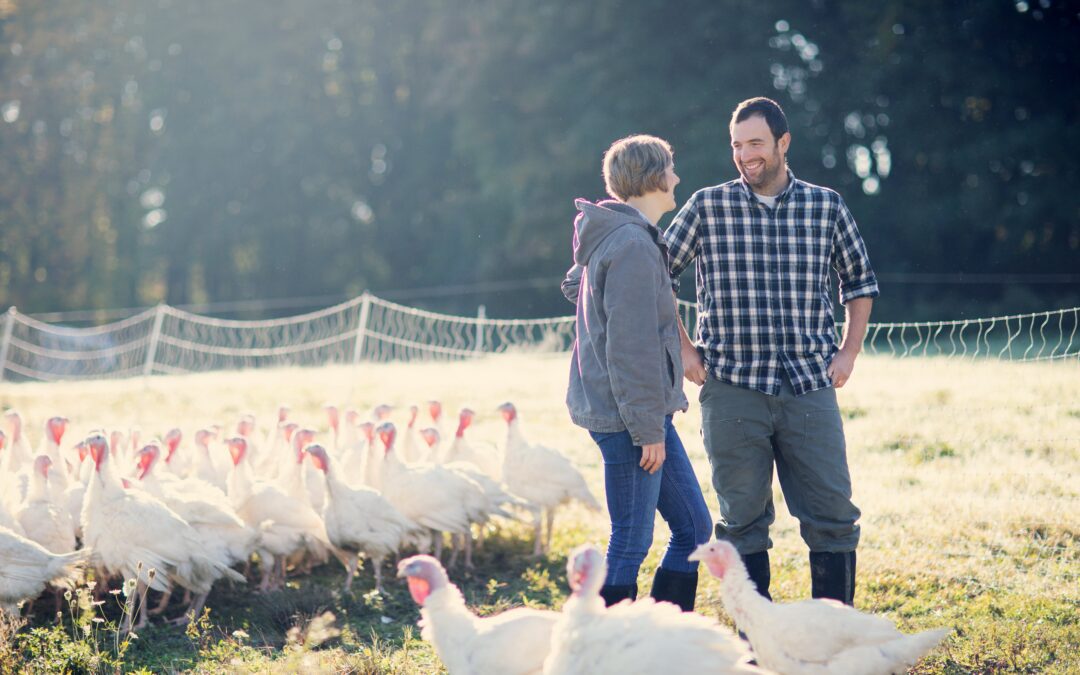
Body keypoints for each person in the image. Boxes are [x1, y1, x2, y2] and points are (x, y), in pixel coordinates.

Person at [664, 97, 879, 606]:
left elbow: (860, 282)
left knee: (832, 516)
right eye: (737, 145)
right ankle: (756, 649)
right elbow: (655, 272)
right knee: (742, 522)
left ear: (783, 143)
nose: (745, 155)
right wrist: (684, 347)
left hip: (810, 386)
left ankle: (832, 640)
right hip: (732, 388)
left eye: (755, 143)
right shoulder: (706, 205)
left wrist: (848, 353)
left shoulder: (826, 205)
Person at [561, 134, 712, 611]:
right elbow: (631, 349)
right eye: (670, 169)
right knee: (631, 539)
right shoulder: (630, 244)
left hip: (642, 416)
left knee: (694, 529)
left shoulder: (623, 237)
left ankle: (665, 639)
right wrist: (648, 430)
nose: (677, 179)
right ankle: (607, 648)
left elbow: (578, 286)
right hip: (630, 421)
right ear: (651, 178)